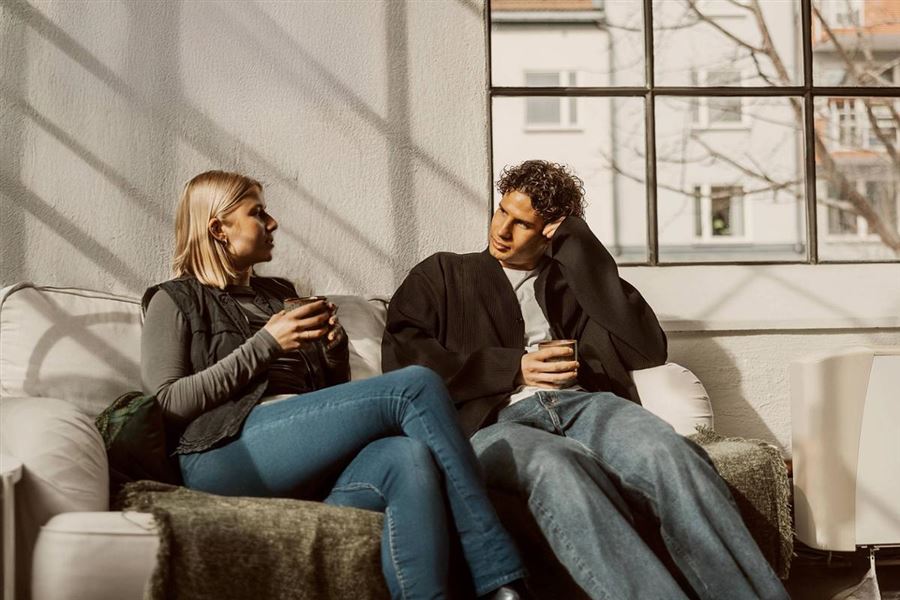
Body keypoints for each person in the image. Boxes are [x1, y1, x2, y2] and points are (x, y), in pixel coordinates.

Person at [382, 160, 789, 600]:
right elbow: (405, 361)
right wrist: (512, 367)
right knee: (556, 466)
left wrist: (580, 247)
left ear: (550, 231)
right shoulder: (443, 273)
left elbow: (646, 349)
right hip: (495, 423)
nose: (502, 229)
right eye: (501, 212)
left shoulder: (571, 284)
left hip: (585, 408)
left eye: (522, 224)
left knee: (670, 453)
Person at [140, 170, 527, 600]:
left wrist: (331, 351)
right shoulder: (174, 300)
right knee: (414, 385)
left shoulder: (278, 293)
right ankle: (498, 575)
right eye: (257, 213)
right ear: (218, 228)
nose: (272, 224)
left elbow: (322, 402)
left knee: (406, 455)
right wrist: (267, 343)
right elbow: (168, 402)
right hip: (224, 454)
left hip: (298, 453)